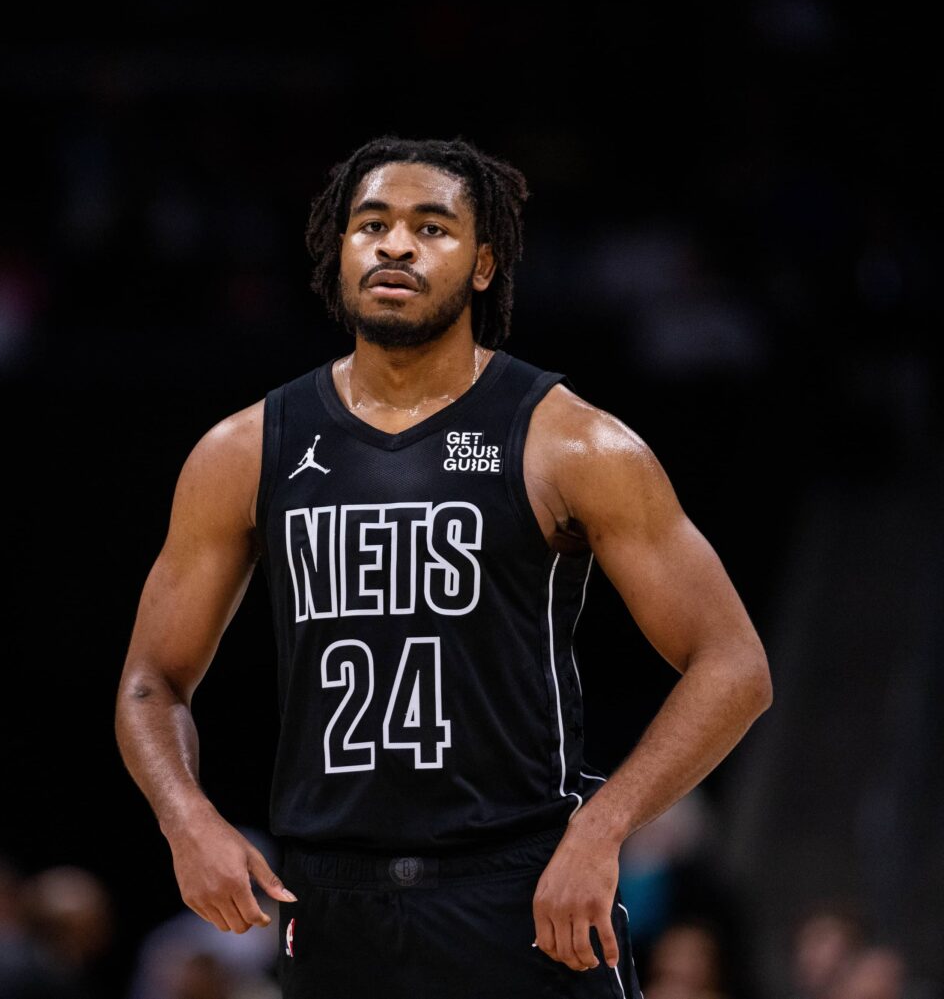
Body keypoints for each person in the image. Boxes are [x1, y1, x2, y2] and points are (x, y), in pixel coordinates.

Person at [113, 135, 774, 998]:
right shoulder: (245, 450)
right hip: (332, 900)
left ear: (485, 264)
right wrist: (184, 818)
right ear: (338, 251)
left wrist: (602, 830)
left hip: (522, 889)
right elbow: (150, 679)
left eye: (432, 228)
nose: (395, 244)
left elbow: (735, 665)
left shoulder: (570, 439)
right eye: (372, 224)